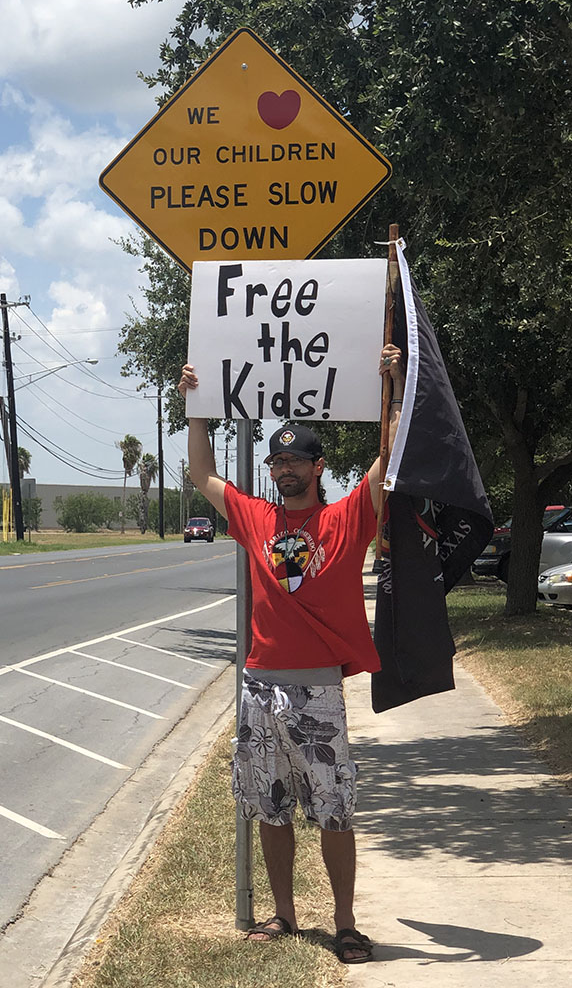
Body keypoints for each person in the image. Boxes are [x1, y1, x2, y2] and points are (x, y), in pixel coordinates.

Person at [177, 343, 405, 964]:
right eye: (275, 460)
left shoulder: (346, 518)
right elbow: (202, 475)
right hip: (258, 685)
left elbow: (390, 457)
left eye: (294, 460)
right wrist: (195, 408)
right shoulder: (255, 518)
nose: (282, 469)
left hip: (318, 689)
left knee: (334, 809)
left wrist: (393, 385)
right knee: (269, 804)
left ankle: (346, 924)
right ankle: (284, 916)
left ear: (317, 464)